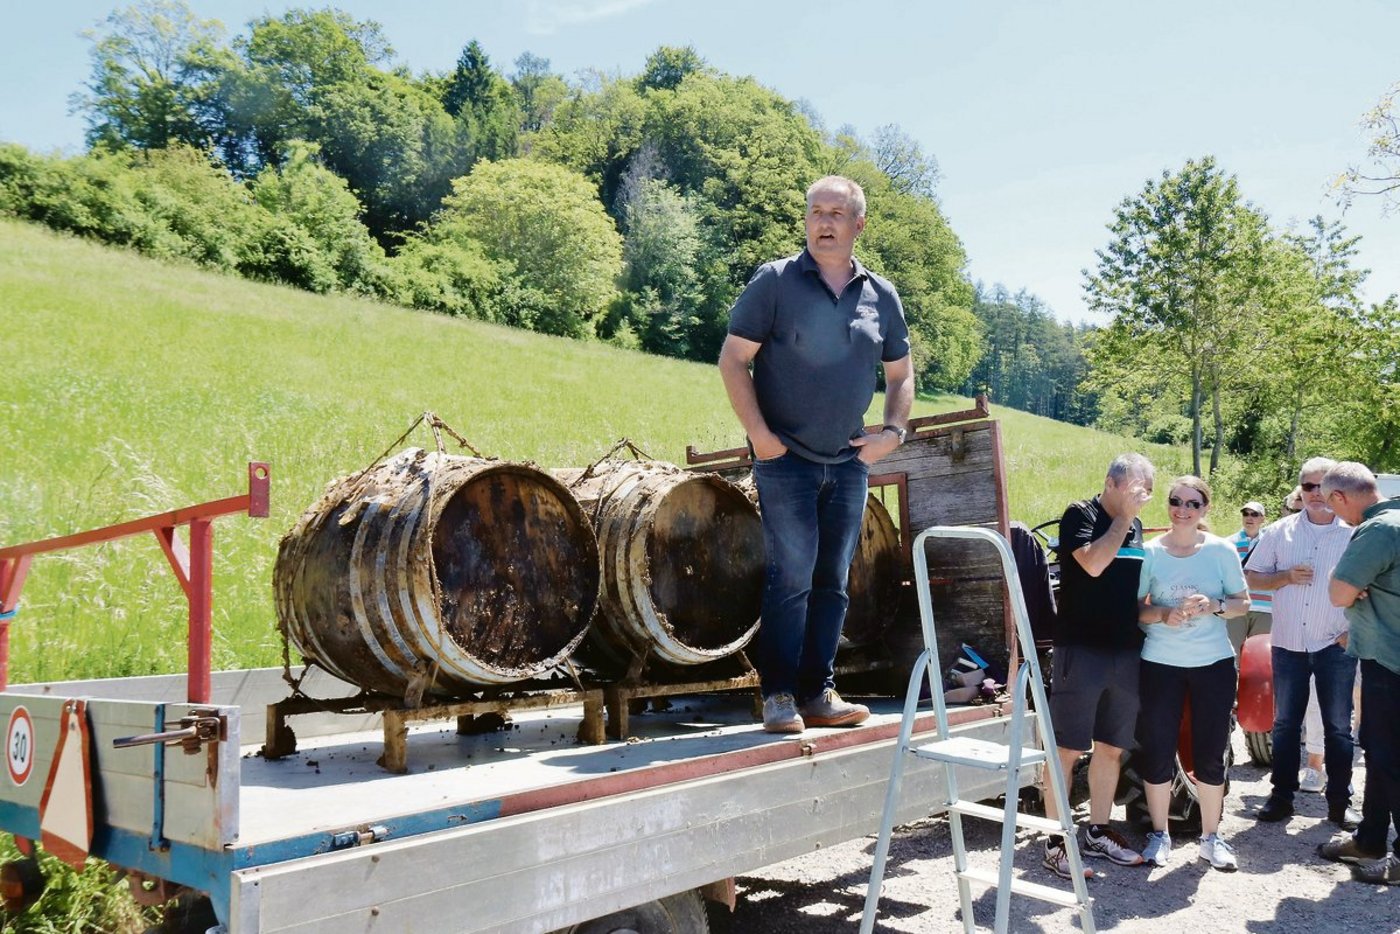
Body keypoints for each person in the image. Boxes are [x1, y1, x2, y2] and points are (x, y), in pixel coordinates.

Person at [718, 175, 913, 734]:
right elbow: (734, 360)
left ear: (859, 223)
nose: (824, 222)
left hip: (849, 461)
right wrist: (760, 436)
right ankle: (777, 695)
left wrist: (892, 434)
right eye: (815, 212)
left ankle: (817, 694)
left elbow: (901, 374)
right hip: (787, 461)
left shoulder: (882, 295)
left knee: (833, 578)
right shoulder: (775, 282)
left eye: (836, 213)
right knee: (792, 575)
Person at [1039, 453, 1155, 879]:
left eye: (1148, 492)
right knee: (1068, 749)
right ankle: (1055, 841)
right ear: (1111, 482)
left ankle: (1099, 830)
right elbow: (1092, 563)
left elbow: (1131, 589)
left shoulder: (1137, 525)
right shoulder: (1079, 514)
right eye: (1137, 489)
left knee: (1111, 746)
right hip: (1080, 649)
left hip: (1124, 652)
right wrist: (1123, 519)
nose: (1143, 499)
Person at [1135, 476, 1250, 870]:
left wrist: (1213, 604)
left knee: (1211, 752)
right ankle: (1159, 834)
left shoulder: (1221, 549)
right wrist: (1163, 614)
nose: (1183, 509)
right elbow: (1136, 610)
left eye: (1193, 503)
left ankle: (1211, 838)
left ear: (1206, 509)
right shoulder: (1149, 552)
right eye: (1176, 501)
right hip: (1160, 662)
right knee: (1157, 749)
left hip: (1213, 662)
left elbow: (1242, 603)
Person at [1245, 457, 1360, 829]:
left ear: (1335, 492)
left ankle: (1340, 803)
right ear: (1300, 491)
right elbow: (1250, 577)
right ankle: (1281, 796)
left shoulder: (1354, 534)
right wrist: (1284, 577)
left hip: (1335, 644)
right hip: (1290, 643)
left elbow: (1372, 589)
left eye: (1322, 487)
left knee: (1338, 727)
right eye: (1308, 487)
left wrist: (1351, 632)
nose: (1315, 494)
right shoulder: (1280, 531)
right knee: (1284, 724)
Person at [1317, 462, 1400, 885]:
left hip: (1391, 661)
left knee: (1388, 757)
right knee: (1379, 750)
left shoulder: (1378, 530)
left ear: (1339, 497)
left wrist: (1343, 577)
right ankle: (1369, 839)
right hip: (1388, 658)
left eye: (1333, 507)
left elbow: (1337, 593)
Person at [1228, 501, 1273, 653]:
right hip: (1237, 605)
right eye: (1245, 513)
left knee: (1259, 656)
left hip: (1265, 607)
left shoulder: (1271, 542)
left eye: (1254, 514)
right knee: (1232, 654)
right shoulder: (1229, 543)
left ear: (1263, 519)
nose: (1249, 517)